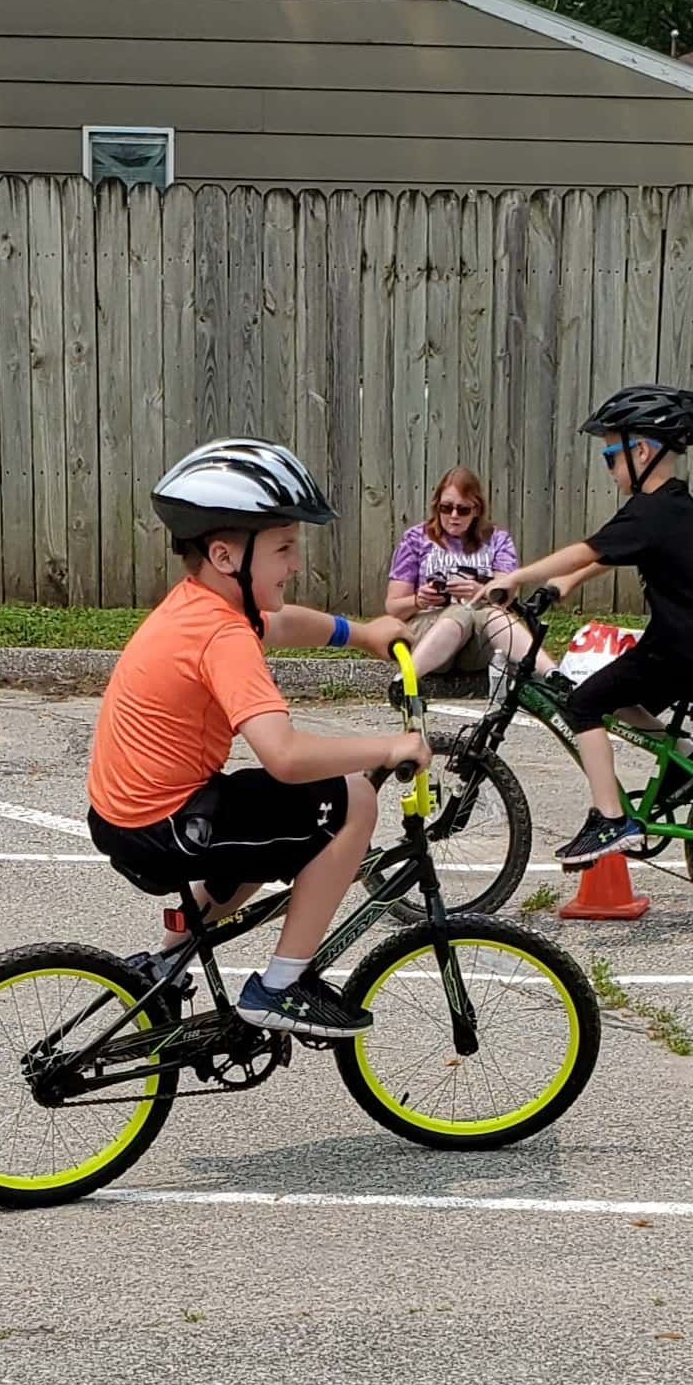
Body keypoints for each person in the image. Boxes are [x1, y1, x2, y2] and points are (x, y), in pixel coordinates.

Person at [87, 437, 420, 1037]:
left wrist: (362, 633)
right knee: (353, 800)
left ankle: (165, 962)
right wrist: (390, 746)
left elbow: (283, 620)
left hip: (136, 817)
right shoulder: (222, 636)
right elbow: (287, 756)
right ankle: (281, 986)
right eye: (285, 548)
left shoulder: (204, 606)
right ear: (224, 555)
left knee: (270, 821)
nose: (296, 564)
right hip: (166, 828)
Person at [483, 384, 693, 867]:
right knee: (621, 700)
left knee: (585, 702)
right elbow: (612, 551)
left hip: (679, 648)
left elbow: (591, 548)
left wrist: (516, 575)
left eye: (609, 457)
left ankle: (612, 820)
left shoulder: (652, 510)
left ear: (641, 450)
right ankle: (689, 765)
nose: (611, 468)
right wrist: (561, 585)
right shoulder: (672, 504)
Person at [382, 467, 554, 683]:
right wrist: (419, 600)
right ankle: (404, 682)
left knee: (491, 614)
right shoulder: (416, 538)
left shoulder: (497, 540)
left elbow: (506, 593)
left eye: (462, 510)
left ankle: (553, 676)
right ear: (437, 507)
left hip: (479, 642)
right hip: (428, 633)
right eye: (446, 508)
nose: (453, 516)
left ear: (476, 510)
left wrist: (482, 592)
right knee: (460, 611)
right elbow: (393, 607)